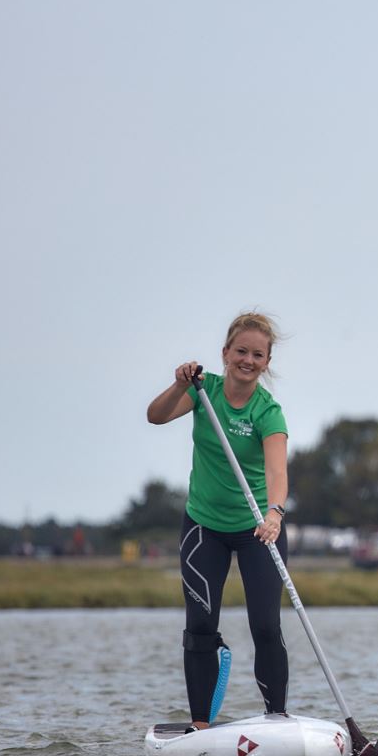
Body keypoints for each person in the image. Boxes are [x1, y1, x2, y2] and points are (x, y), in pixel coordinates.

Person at [146, 311, 291, 730]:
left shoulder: (269, 412)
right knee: (201, 625)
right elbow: (155, 416)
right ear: (225, 353)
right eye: (241, 351)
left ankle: (276, 718)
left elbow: (278, 473)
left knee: (265, 625)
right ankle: (201, 725)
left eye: (257, 355)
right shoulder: (202, 392)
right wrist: (178, 383)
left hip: (258, 529)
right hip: (203, 527)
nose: (248, 360)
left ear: (267, 362)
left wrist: (275, 513)